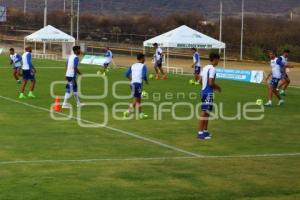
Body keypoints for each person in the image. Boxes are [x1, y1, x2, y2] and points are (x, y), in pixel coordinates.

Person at [198, 53, 221, 140]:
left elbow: (200, 81)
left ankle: (205, 131)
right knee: (204, 112)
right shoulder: (212, 69)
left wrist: (207, 88)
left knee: (207, 112)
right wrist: (218, 87)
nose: (219, 61)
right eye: (218, 59)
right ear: (215, 59)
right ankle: (200, 133)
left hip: (204, 91)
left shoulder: (205, 67)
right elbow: (211, 82)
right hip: (208, 93)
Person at [123, 53, 149, 119]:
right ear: (142, 58)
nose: (145, 59)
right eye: (144, 58)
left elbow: (126, 74)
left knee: (138, 100)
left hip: (132, 84)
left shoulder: (133, 65)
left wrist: (132, 79)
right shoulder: (143, 66)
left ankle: (141, 114)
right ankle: (127, 112)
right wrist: (146, 81)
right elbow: (143, 76)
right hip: (138, 85)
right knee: (135, 100)